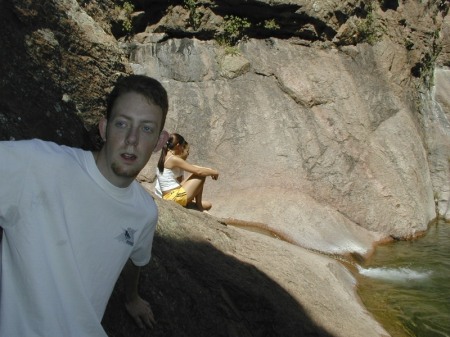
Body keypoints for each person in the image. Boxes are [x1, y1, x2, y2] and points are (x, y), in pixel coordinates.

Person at [0, 74, 169, 337]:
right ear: (104, 128)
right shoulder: (38, 165)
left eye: (146, 128)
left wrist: (132, 298)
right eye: (122, 123)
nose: (132, 139)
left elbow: (136, 259)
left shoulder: (145, 212)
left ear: (160, 141)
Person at [155, 133, 219, 212]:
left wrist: (210, 170)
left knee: (208, 204)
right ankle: (199, 206)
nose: (183, 149)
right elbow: (198, 171)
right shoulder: (173, 159)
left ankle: (199, 205)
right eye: (182, 147)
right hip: (174, 197)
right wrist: (214, 172)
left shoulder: (166, 157)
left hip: (172, 195)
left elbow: (195, 167)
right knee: (201, 174)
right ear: (178, 145)